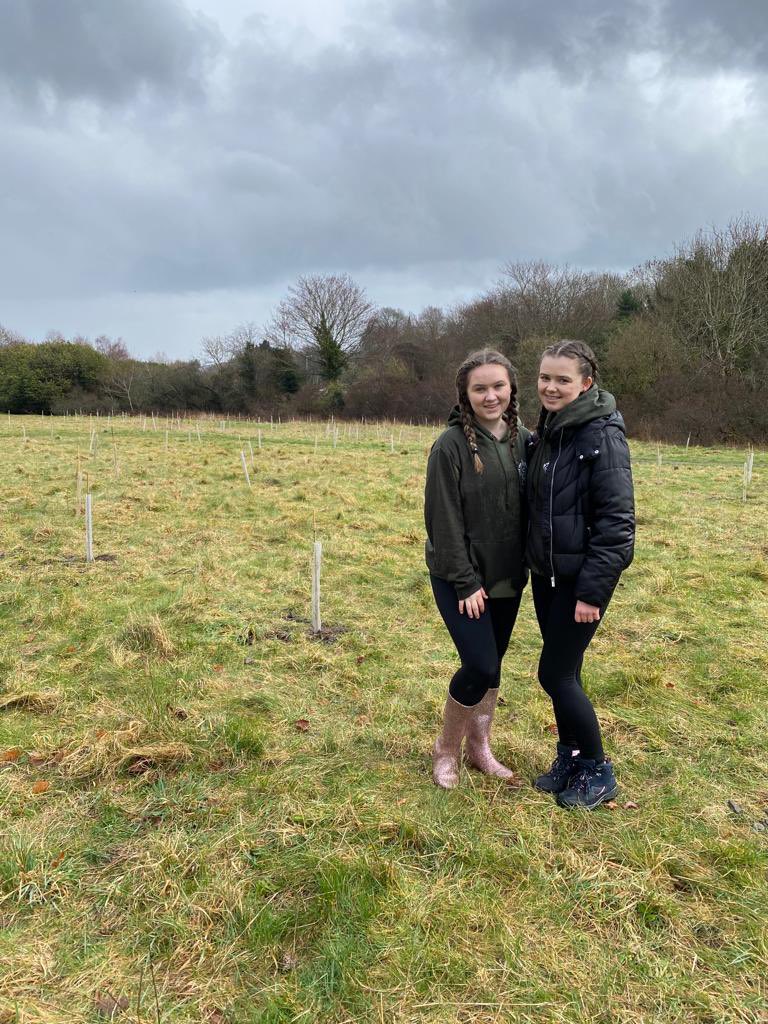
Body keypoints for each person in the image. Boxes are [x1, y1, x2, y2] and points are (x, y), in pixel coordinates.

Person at [525, 339, 635, 810]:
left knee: (554, 673)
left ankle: (598, 768)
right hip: (546, 576)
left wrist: (591, 592)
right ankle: (569, 757)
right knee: (568, 670)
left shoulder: (600, 435)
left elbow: (617, 524)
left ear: (586, 383)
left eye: (562, 379)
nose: (551, 386)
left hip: (580, 581)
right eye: (545, 377)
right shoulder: (552, 429)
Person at [425, 349, 529, 789]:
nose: (491, 396)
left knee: (495, 665)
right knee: (480, 664)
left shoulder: (525, 438)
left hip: (509, 576)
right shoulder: (449, 447)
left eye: (498, 386)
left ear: (511, 389)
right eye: (480, 388)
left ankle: (479, 746)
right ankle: (446, 749)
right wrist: (466, 581)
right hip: (461, 578)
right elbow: (443, 519)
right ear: (465, 395)